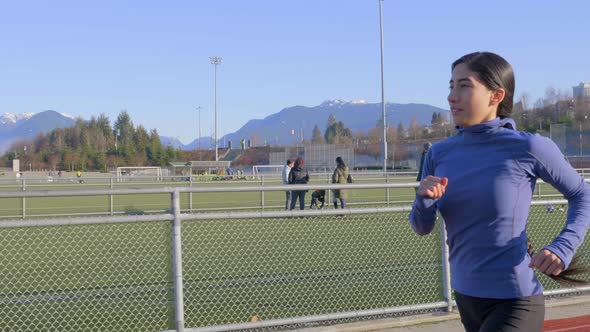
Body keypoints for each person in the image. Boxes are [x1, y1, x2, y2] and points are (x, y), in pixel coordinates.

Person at [409, 52, 590, 332]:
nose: (451, 96)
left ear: (496, 95)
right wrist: (423, 200)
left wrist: (563, 247)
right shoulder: (439, 153)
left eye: (464, 86)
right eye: (451, 85)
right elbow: (421, 227)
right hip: (466, 297)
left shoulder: (529, 147)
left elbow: (583, 194)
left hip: (515, 300)